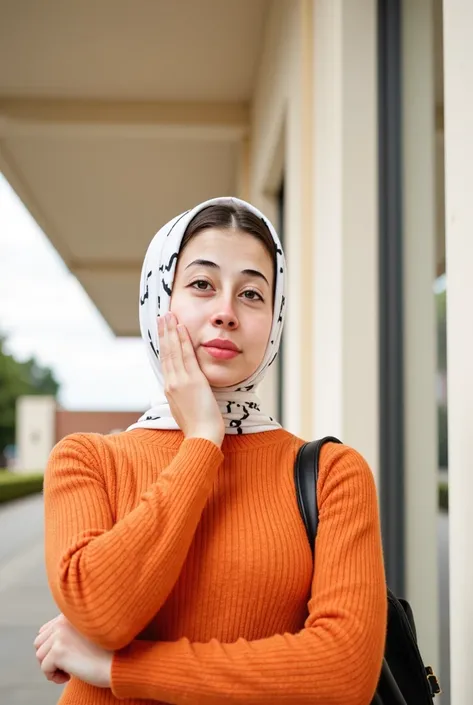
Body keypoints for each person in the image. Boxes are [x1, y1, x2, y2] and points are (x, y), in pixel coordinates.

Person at [34, 197, 387, 705]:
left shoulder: (333, 473)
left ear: (275, 317)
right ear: (161, 299)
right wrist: (202, 439)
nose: (226, 313)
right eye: (202, 284)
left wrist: (117, 668)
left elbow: (343, 672)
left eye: (251, 293)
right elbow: (101, 613)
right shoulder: (86, 460)